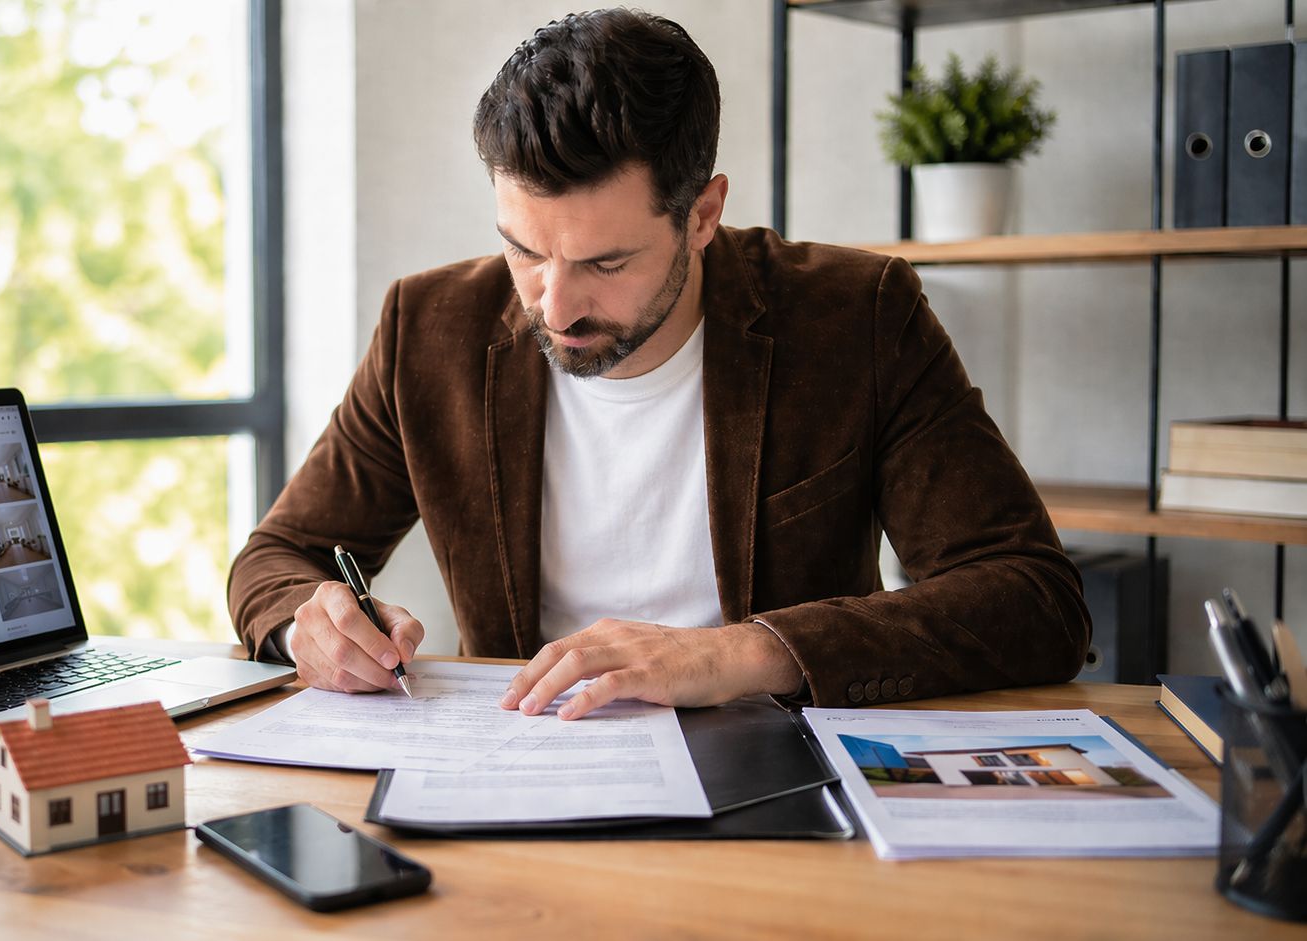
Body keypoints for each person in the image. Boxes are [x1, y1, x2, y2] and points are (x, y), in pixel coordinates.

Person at [228, 8, 1090, 719]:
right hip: (521, 771)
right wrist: (311, 625)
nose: (554, 307)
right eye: (524, 250)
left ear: (703, 214)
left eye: (605, 263)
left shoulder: (856, 316)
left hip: (779, 774)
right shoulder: (427, 328)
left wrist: (741, 653)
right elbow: (276, 556)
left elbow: (1034, 598)